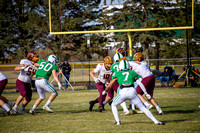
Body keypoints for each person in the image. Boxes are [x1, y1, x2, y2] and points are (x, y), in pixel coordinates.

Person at [102, 60, 164, 125]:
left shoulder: (118, 73)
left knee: (113, 105)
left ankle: (117, 121)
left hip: (123, 91)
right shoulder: (132, 72)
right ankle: (156, 121)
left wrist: (105, 91)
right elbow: (139, 83)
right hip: (132, 92)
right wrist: (145, 92)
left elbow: (110, 85)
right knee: (143, 108)